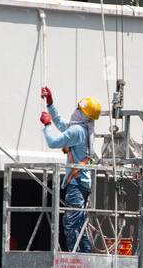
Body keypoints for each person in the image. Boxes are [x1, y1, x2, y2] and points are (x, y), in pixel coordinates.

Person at [41, 85, 102, 252]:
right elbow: (61, 124)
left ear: (83, 113)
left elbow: (53, 142)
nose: (76, 110)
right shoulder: (85, 128)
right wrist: (50, 103)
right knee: (79, 223)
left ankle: (76, 258)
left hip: (76, 182)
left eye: (78, 108)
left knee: (70, 224)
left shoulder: (77, 130)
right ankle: (86, 256)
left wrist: (46, 125)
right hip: (83, 181)